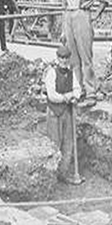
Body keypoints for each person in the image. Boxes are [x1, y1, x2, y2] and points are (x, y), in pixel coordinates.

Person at [61, 0, 109, 103]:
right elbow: (64, 8)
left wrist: (95, 15)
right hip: (69, 18)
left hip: (83, 18)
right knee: (73, 59)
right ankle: (78, 90)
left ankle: (90, 92)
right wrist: (64, 30)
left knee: (86, 58)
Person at [42, 44, 82, 182]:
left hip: (68, 113)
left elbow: (77, 90)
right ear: (57, 58)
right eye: (62, 58)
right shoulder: (51, 73)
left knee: (68, 144)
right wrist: (66, 97)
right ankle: (51, 176)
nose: (64, 60)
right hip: (54, 112)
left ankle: (63, 174)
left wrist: (74, 96)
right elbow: (52, 95)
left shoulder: (72, 74)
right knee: (55, 143)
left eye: (66, 58)